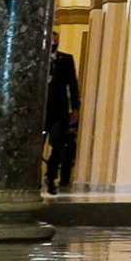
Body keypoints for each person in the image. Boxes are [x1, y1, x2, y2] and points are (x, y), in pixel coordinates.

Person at [42, 32, 81, 195]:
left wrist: (75, 108)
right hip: (42, 109)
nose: (54, 42)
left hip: (59, 109)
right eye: (52, 39)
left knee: (57, 146)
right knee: (37, 144)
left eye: (56, 39)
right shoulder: (38, 58)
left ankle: (51, 177)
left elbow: (72, 84)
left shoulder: (66, 59)